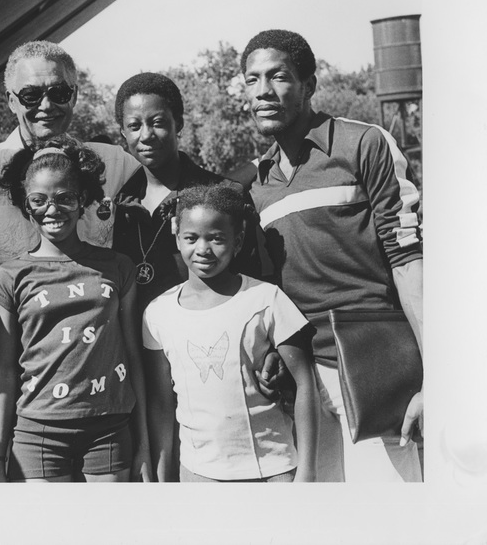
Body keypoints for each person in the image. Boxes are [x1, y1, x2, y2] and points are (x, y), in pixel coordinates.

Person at [241, 28, 424, 482]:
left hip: (377, 369)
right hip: (303, 382)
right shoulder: (258, 183)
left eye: (278, 76)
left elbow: (409, 263)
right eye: (251, 79)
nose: (263, 90)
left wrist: (436, 375)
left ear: (309, 84)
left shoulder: (364, 144)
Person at [111, 72, 285, 397]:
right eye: (134, 126)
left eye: (158, 122)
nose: (146, 135)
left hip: (215, 364)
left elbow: (259, 281)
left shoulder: (222, 196)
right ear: (122, 132)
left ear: (179, 123)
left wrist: (273, 345)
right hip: (143, 369)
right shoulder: (118, 206)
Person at [0, 136, 151, 482]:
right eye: (39, 200)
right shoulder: (9, 276)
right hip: (38, 433)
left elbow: (134, 356)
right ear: (25, 204)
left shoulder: (118, 267)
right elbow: (3, 371)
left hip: (110, 428)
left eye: (65, 198)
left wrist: (144, 447)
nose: (53, 209)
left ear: (83, 201)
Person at [144, 185, 319, 482]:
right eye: (191, 238)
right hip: (198, 475)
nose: (203, 249)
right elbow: (162, 403)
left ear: (237, 241)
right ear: (177, 238)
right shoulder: (158, 314)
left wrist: (306, 474)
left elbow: (305, 385)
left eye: (216, 238)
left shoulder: (265, 299)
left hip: (272, 471)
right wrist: (164, 474)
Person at [0, 40, 140, 271]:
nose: (46, 105)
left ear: (74, 96)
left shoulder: (117, 165)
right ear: (11, 101)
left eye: (59, 92)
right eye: (31, 95)